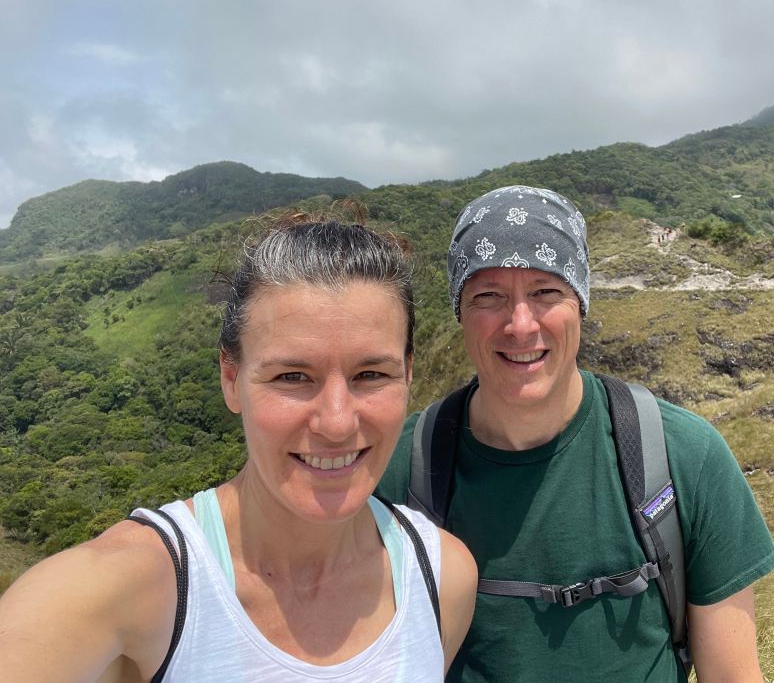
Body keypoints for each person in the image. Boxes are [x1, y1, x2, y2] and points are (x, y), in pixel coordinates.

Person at [0, 213, 477, 682]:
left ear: (409, 375)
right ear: (232, 379)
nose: (336, 421)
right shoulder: (131, 592)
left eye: (371, 375)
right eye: (292, 376)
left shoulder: (442, 577)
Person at [377, 185, 774, 682]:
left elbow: (733, 675)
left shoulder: (685, 457)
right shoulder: (397, 471)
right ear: (459, 310)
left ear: (581, 303)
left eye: (547, 291)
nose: (521, 325)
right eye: (489, 296)